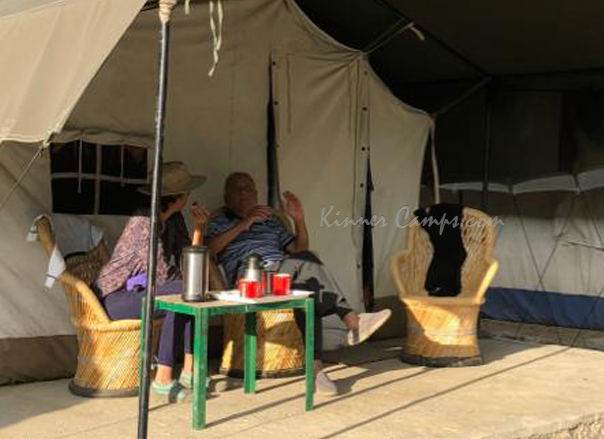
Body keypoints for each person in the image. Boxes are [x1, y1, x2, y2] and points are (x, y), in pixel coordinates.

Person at [205, 172, 391, 395]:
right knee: (308, 269)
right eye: (238, 189)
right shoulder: (219, 220)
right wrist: (244, 224)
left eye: (249, 188)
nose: (245, 193)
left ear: (256, 194)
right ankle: (352, 320)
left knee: (308, 289)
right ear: (227, 197)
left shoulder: (270, 220)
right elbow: (210, 251)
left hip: (282, 272)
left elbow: (298, 249)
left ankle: (315, 370)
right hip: (250, 278)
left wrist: (299, 220)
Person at [94, 161, 209, 402]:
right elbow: (161, 276)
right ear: (177, 197)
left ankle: (190, 370)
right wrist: (182, 281)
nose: (189, 197)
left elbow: (190, 260)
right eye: (187, 192)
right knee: (180, 291)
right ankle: (163, 378)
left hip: (149, 292)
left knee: (189, 292)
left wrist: (199, 229)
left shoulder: (174, 219)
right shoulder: (143, 222)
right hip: (116, 298)